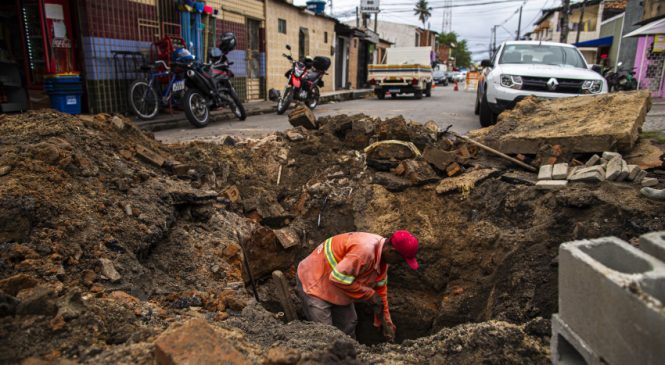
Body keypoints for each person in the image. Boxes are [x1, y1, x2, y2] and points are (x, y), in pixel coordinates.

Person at [296, 231, 419, 342]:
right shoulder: (364, 251)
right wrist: (370, 294)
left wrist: (386, 321)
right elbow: (338, 278)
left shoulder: (382, 258)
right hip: (315, 281)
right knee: (325, 334)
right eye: (401, 260)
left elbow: (380, 290)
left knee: (349, 324)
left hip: (338, 286)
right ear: (392, 251)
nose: (400, 263)